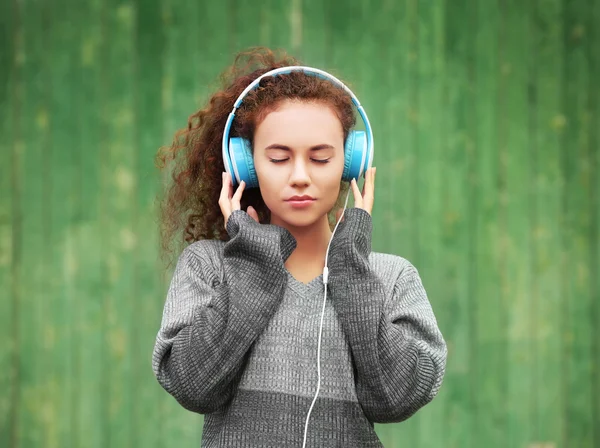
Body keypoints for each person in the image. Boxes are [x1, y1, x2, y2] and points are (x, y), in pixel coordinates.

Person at [152, 47, 447, 447]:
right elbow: (192, 385)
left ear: (351, 162)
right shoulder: (210, 267)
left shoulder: (390, 277)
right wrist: (253, 262)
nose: (300, 177)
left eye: (321, 158)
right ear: (245, 165)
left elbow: (397, 399)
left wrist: (351, 269)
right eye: (278, 158)